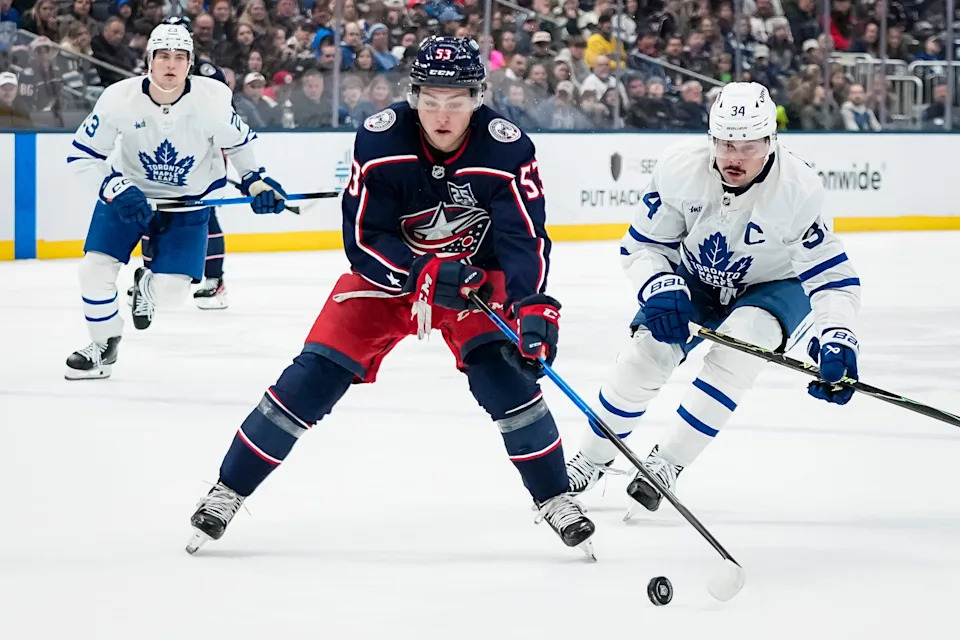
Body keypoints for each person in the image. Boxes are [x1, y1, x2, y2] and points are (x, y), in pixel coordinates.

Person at [185, 36, 596, 558]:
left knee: (506, 379)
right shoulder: (380, 141)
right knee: (312, 377)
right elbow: (362, 241)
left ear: (479, 97)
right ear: (412, 95)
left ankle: (556, 498)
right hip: (392, 278)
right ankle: (228, 490)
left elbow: (523, 238)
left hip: (475, 281)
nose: (442, 115)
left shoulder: (507, 148)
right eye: (430, 101)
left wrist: (533, 305)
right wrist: (422, 272)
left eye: (456, 101)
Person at [563, 82, 862, 519]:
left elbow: (832, 278)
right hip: (697, 277)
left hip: (775, 285)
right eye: (724, 143)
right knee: (644, 357)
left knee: (740, 348)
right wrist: (657, 285)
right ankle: (591, 458)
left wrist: (837, 334)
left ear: (770, 141)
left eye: (748, 145)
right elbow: (644, 246)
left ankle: (666, 463)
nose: (734, 157)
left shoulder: (798, 188)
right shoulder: (680, 168)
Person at [64, 22, 288, 380]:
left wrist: (255, 181)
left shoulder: (212, 98)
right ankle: (103, 344)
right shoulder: (118, 98)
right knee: (93, 270)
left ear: (190, 63)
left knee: (171, 294)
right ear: (149, 61)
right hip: (128, 198)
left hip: (188, 206)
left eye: (180, 57)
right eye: (163, 56)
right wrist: (115, 188)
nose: (171, 64)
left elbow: (240, 142)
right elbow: (82, 157)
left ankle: (147, 285)